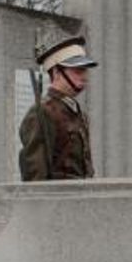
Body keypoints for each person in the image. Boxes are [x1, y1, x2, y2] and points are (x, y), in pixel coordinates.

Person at [19, 35, 99, 180]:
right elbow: (35, 175)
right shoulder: (42, 113)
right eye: (78, 71)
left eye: (85, 71)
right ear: (56, 72)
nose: (85, 77)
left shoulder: (77, 112)